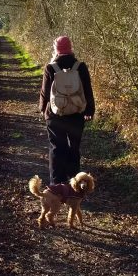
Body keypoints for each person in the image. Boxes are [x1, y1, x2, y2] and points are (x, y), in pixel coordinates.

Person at [38, 36, 95, 185]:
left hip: (55, 115)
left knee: (57, 148)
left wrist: (43, 110)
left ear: (56, 49)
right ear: (71, 48)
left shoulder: (50, 67)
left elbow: (45, 93)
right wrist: (90, 110)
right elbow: (87, 90)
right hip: (77, 113)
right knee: (74, 147)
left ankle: (57, 184)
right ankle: (75, 184)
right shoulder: (80, 66)